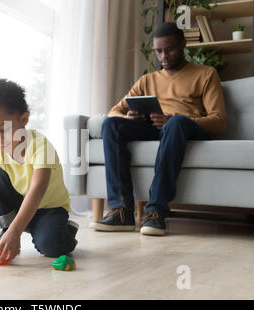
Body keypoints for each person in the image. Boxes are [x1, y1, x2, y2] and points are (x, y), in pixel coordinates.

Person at [92, 22, 226, 236]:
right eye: (158, 51)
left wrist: (174, 118)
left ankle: (156, 212)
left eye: (169, 49)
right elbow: (113, 112)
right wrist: (129, 115)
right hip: (154, 127)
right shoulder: (147, 80)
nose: (164, 56)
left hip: (185, 127)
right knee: (111, 125)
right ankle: (121, 212)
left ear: (183, 45)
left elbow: (218, 121)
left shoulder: (206, 74)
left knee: (175, 123)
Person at [0, 77, 78, 263]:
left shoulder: (42, 147)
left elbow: (38, 188)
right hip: (20, 204)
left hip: (49, 208)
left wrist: (16, 230)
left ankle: (64, 230)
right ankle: (7, 229)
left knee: (50, 247)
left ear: (24, 120)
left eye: (3, 130)